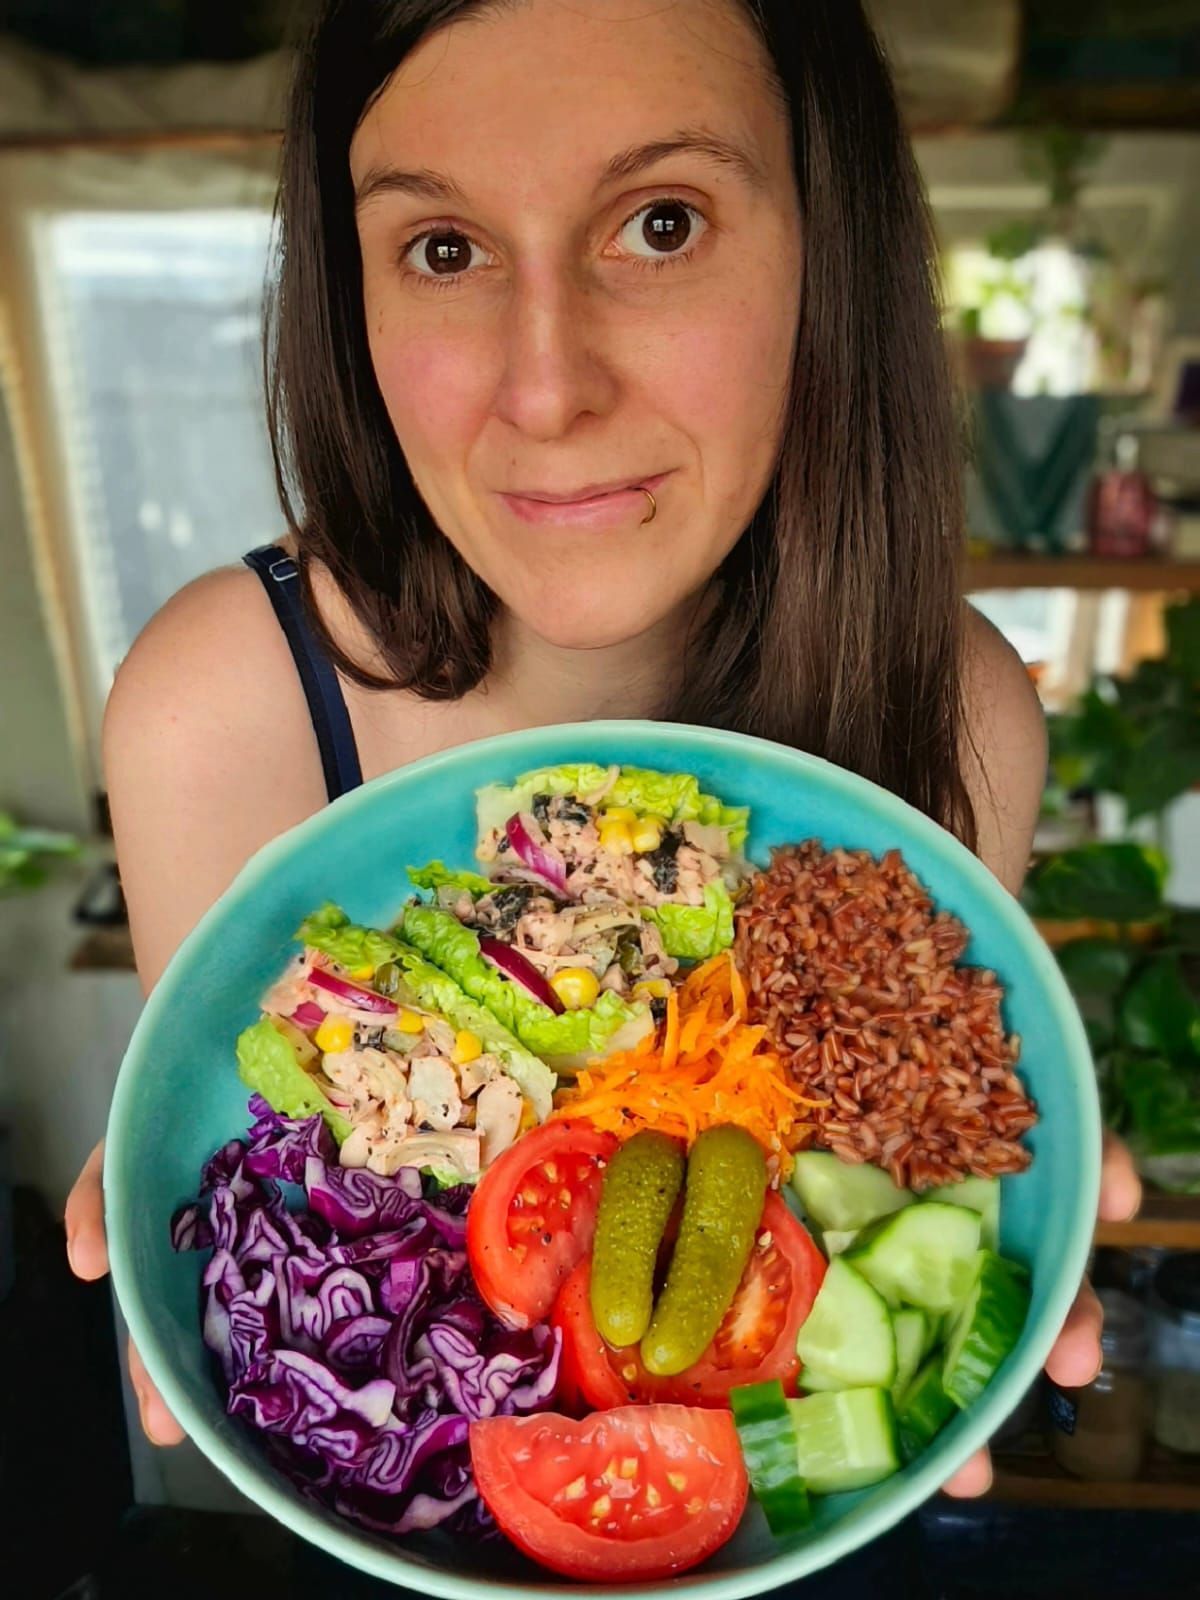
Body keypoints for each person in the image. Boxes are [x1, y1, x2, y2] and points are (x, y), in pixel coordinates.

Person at [66, 0, 1138, 1526]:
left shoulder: (959, 704)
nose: (547, 386)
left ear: (831, 256)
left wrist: (983, 1224)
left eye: (661, 221)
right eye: (442, 248)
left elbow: (892, 1183)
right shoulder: (221, 702)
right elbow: (267, 1182)